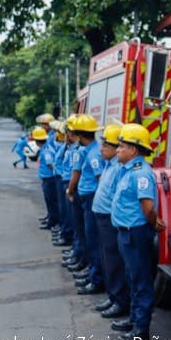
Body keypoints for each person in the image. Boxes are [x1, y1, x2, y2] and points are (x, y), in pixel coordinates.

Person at [111, 123, 165, 340]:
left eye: (121, 146)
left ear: (133, 150)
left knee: (141, 280)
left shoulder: (141, 174)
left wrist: (154, 223)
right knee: (133, 278)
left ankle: (141, 330)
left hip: (136, 234)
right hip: (126, 233)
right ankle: (134, 319)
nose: (117, 150)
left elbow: (148, 208)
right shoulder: (127, 170)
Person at [92, 124, 131, 319]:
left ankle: (120, 300)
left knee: (115, 262)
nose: (101, 149)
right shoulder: (109, 164)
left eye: (105, 146)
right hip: (101, 217)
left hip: (110, 219)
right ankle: (112, 295)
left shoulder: (119, 169)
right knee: (107, 259)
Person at [67, 113, 105, 295]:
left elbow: (100, 181)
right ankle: (92, 273)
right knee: (89, 239)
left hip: (91, 200)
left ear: (81, 135)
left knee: (93, 241)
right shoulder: (89, 150)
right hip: (86, 198)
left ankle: (96, 279)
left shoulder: (94, 154)